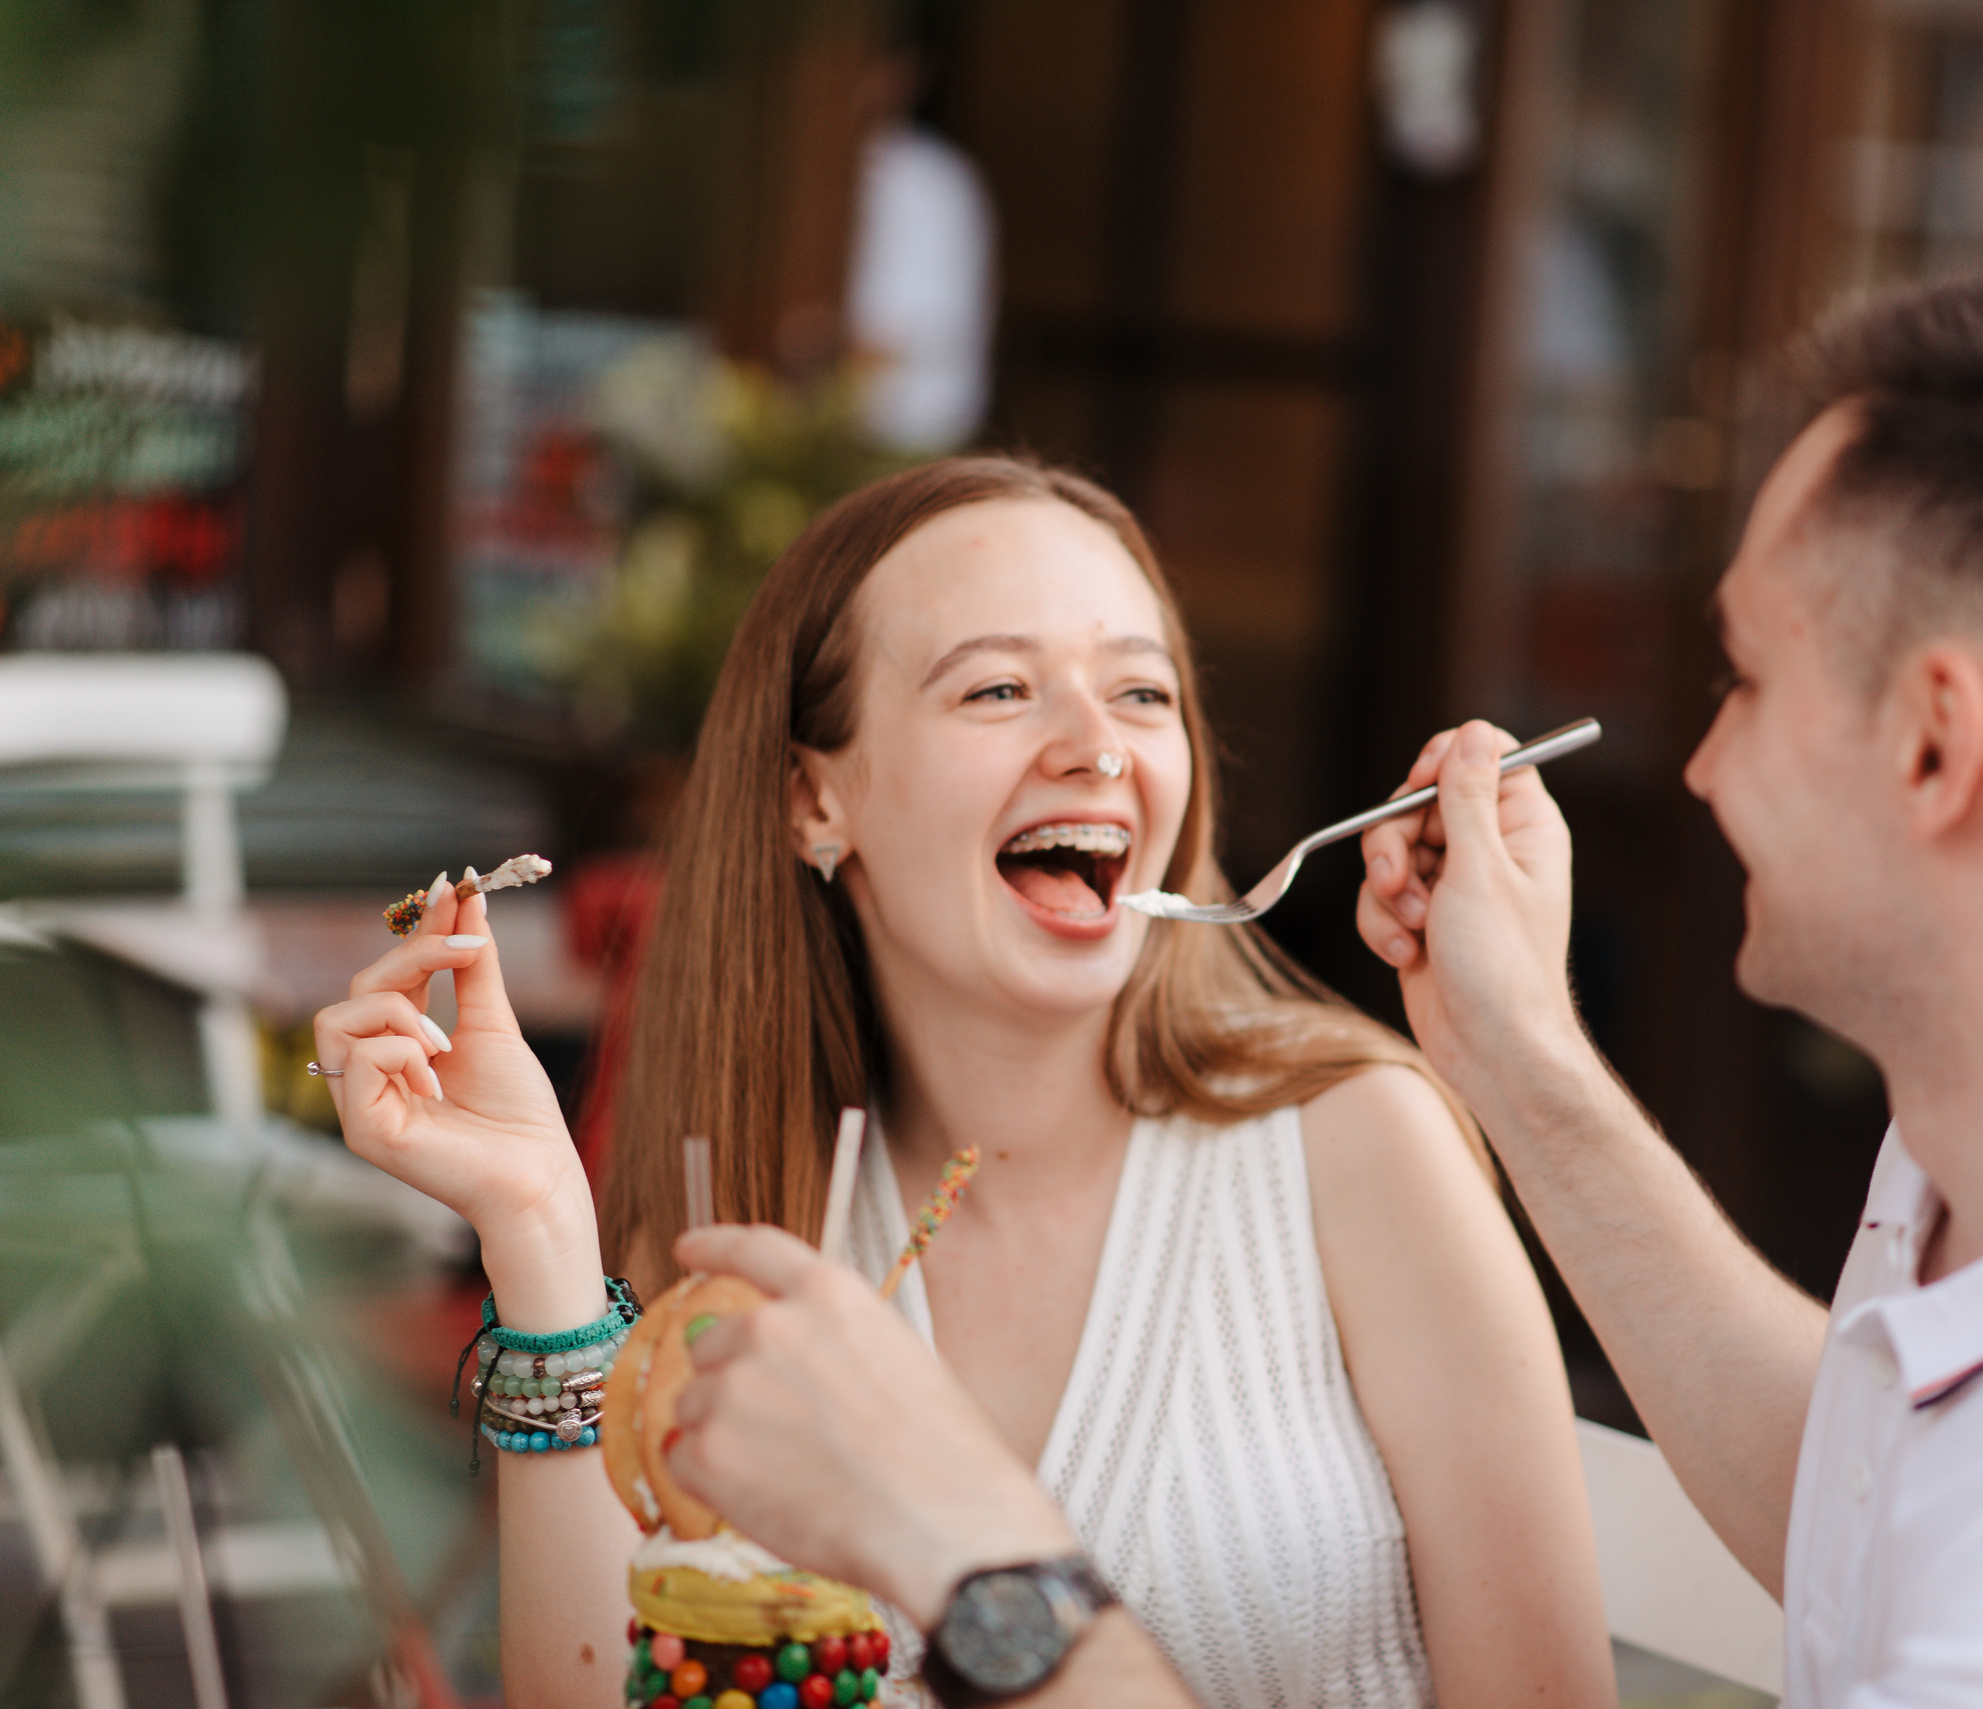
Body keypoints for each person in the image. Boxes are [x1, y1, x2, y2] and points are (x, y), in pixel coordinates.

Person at [666, 270, 1983, 1706]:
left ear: (1933, 746)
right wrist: (1518, 1060)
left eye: (1740, 677)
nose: (1703, 763)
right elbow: (1873, 1478)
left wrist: (980, 1556)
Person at [313, 457, 1614, 1709]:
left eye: (1144, 694)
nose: (1099, 748)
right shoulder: (751, 1222)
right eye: (999, 690)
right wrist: (540, 1231)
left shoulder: (1363, 1150)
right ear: (814, 799)